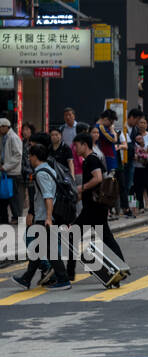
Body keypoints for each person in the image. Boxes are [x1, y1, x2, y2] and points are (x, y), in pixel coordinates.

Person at [8, 142, 71, 291]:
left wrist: (48, 218)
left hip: (44, 217)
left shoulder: (41, 174)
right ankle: (26, 278)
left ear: (35, 157)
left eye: (30, 156)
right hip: (44, 216)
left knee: (47, 249)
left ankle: (63, 279)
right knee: (39, 248)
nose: (29, 158)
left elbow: (48, 197)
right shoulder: (50, 170)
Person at [66, 133, 126, 284]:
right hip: (95, 207)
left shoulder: (91, 159)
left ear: (84, 145)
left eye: (77, 145)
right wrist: (82, 194)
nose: (75, 148)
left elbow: (98, 178)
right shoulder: (92, 159)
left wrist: (81, 188)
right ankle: (120, 268)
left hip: (93, 209)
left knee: (73, 235)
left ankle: (68, 273)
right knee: (106, 238)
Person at [0, 117, 23, 225]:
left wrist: (6, 166)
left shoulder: (13, 137)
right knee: (6, 195)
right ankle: (6, 217)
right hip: (7, 172)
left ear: (5, 127)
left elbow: (18, 155)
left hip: (13, 172)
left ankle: (17, 217)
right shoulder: (4, 137)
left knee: (14, 196)